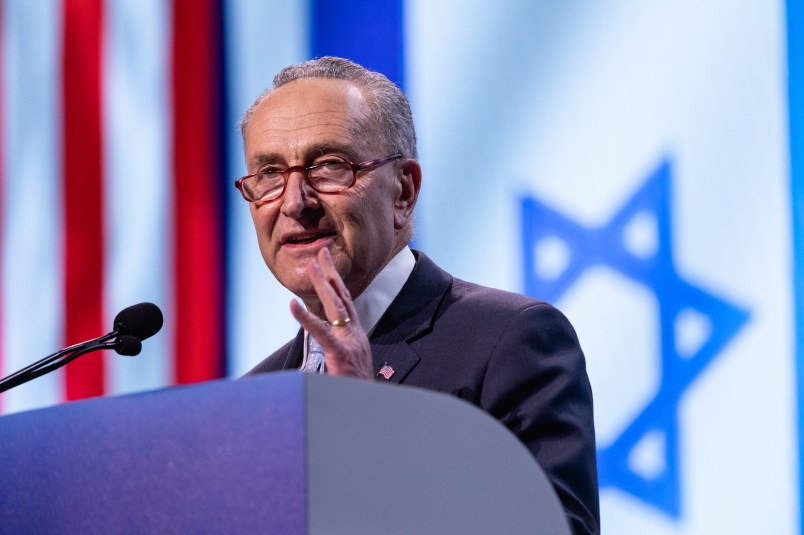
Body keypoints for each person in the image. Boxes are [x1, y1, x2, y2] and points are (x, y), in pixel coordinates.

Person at [237, 56, 599, 534]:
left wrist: (370, 432)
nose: (294, 201)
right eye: (268, 174)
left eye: (329, 167)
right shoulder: (253, 398)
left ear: (403, 193)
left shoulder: (508, 342)